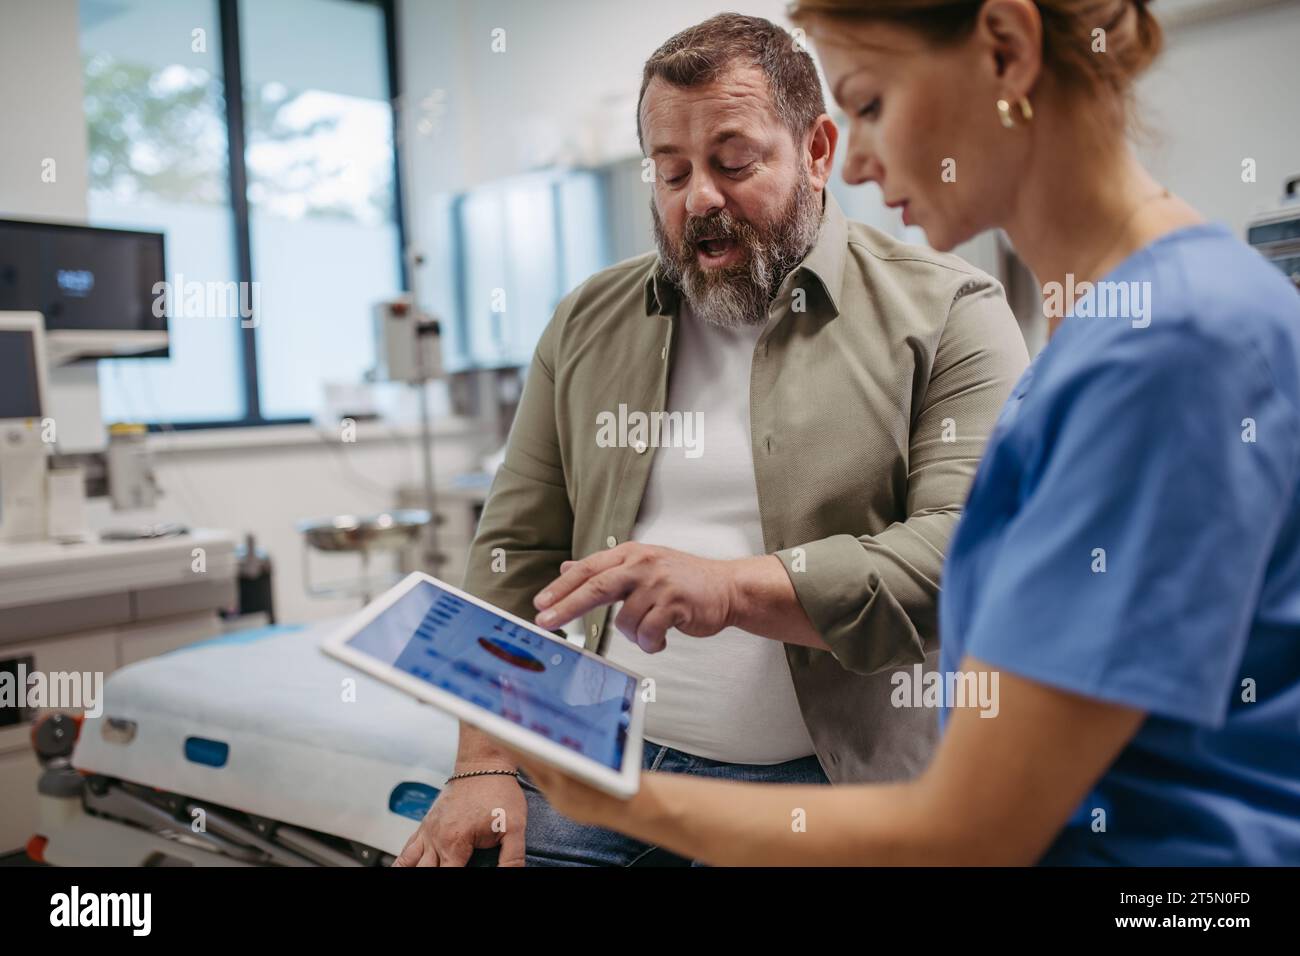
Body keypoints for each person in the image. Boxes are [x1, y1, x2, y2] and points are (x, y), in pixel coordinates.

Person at [507, 0, 1300, 865]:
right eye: (671, 170)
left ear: (1005, 50)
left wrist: (612, 795)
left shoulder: (1170, 345)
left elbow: (973, 828)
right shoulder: (1120, 329)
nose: (862, 155)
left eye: (872, 104)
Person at [394, 12, 1027, 867]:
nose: (699, 199)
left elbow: (961, 558)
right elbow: (513, 551)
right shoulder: (589, 319)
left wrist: (728, 589)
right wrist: (481, 762)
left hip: (821, 787)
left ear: (816, 150)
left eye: (733, 163)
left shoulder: (951, 311)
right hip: (588, 767)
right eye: (671, 171)